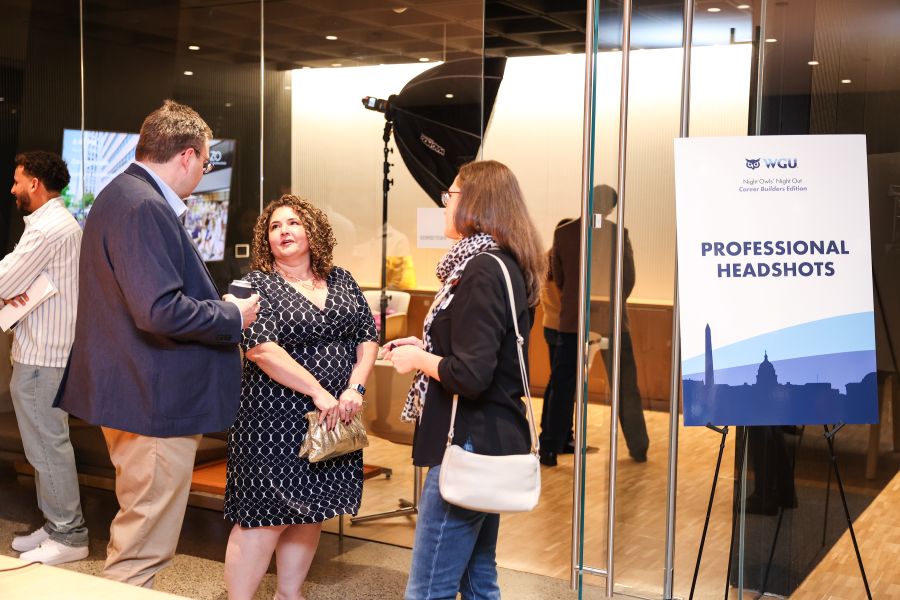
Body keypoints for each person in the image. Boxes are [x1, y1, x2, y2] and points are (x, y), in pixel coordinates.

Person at [55, 100, 260, 588]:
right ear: (187, 156)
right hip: (152, 400)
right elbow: (158, 310)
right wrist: (231, 314)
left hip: (135, 391)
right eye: (206, 162)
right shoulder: (143, 205)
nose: (204, 173)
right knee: (142, 548)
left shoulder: (123, 194)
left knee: (138, 531)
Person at [383, 160, 545, 599]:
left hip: (467, 442)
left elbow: (472, 375)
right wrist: (427, 346)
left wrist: (419, 359)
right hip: (486, 440)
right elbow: (477, 349)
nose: (444, 204)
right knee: (478, 579)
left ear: (475, 203)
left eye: (449, 195)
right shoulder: (500, 263)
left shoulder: (481, 269)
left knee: (428, 589)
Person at [223, 194, 378, 600]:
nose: (283, 231)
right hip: (272, 420)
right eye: (274, 227)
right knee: (263, 516)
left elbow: (367, 336)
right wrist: (319, 392)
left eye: (292, 223)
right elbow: (260, 349)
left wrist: (355, 387)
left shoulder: (341, 278)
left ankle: (289, 595)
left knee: (312, 509)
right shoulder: (252, 285)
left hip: (333, 418)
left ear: (312, 231)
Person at [0, 151, 89, 565]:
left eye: (17, 180)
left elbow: (4, 280)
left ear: (34, 183)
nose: (13, 188)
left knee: (47, 447)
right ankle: (56, 526)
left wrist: (9, 288)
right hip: (43, 351)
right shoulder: (53, 223)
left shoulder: (49, 228)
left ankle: (69, 535)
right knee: (44, 445)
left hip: (44, 355)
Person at [539, 184, 649, 466]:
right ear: (611, 208)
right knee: (624, 385)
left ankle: (550, 447)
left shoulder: (564, 233)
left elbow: (560, 279)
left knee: (563, 385)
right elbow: (628, 278)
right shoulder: (618, 233)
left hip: (573, 321)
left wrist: (575, 301)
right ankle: (638, 446)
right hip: (612, 321)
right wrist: (612, 303)